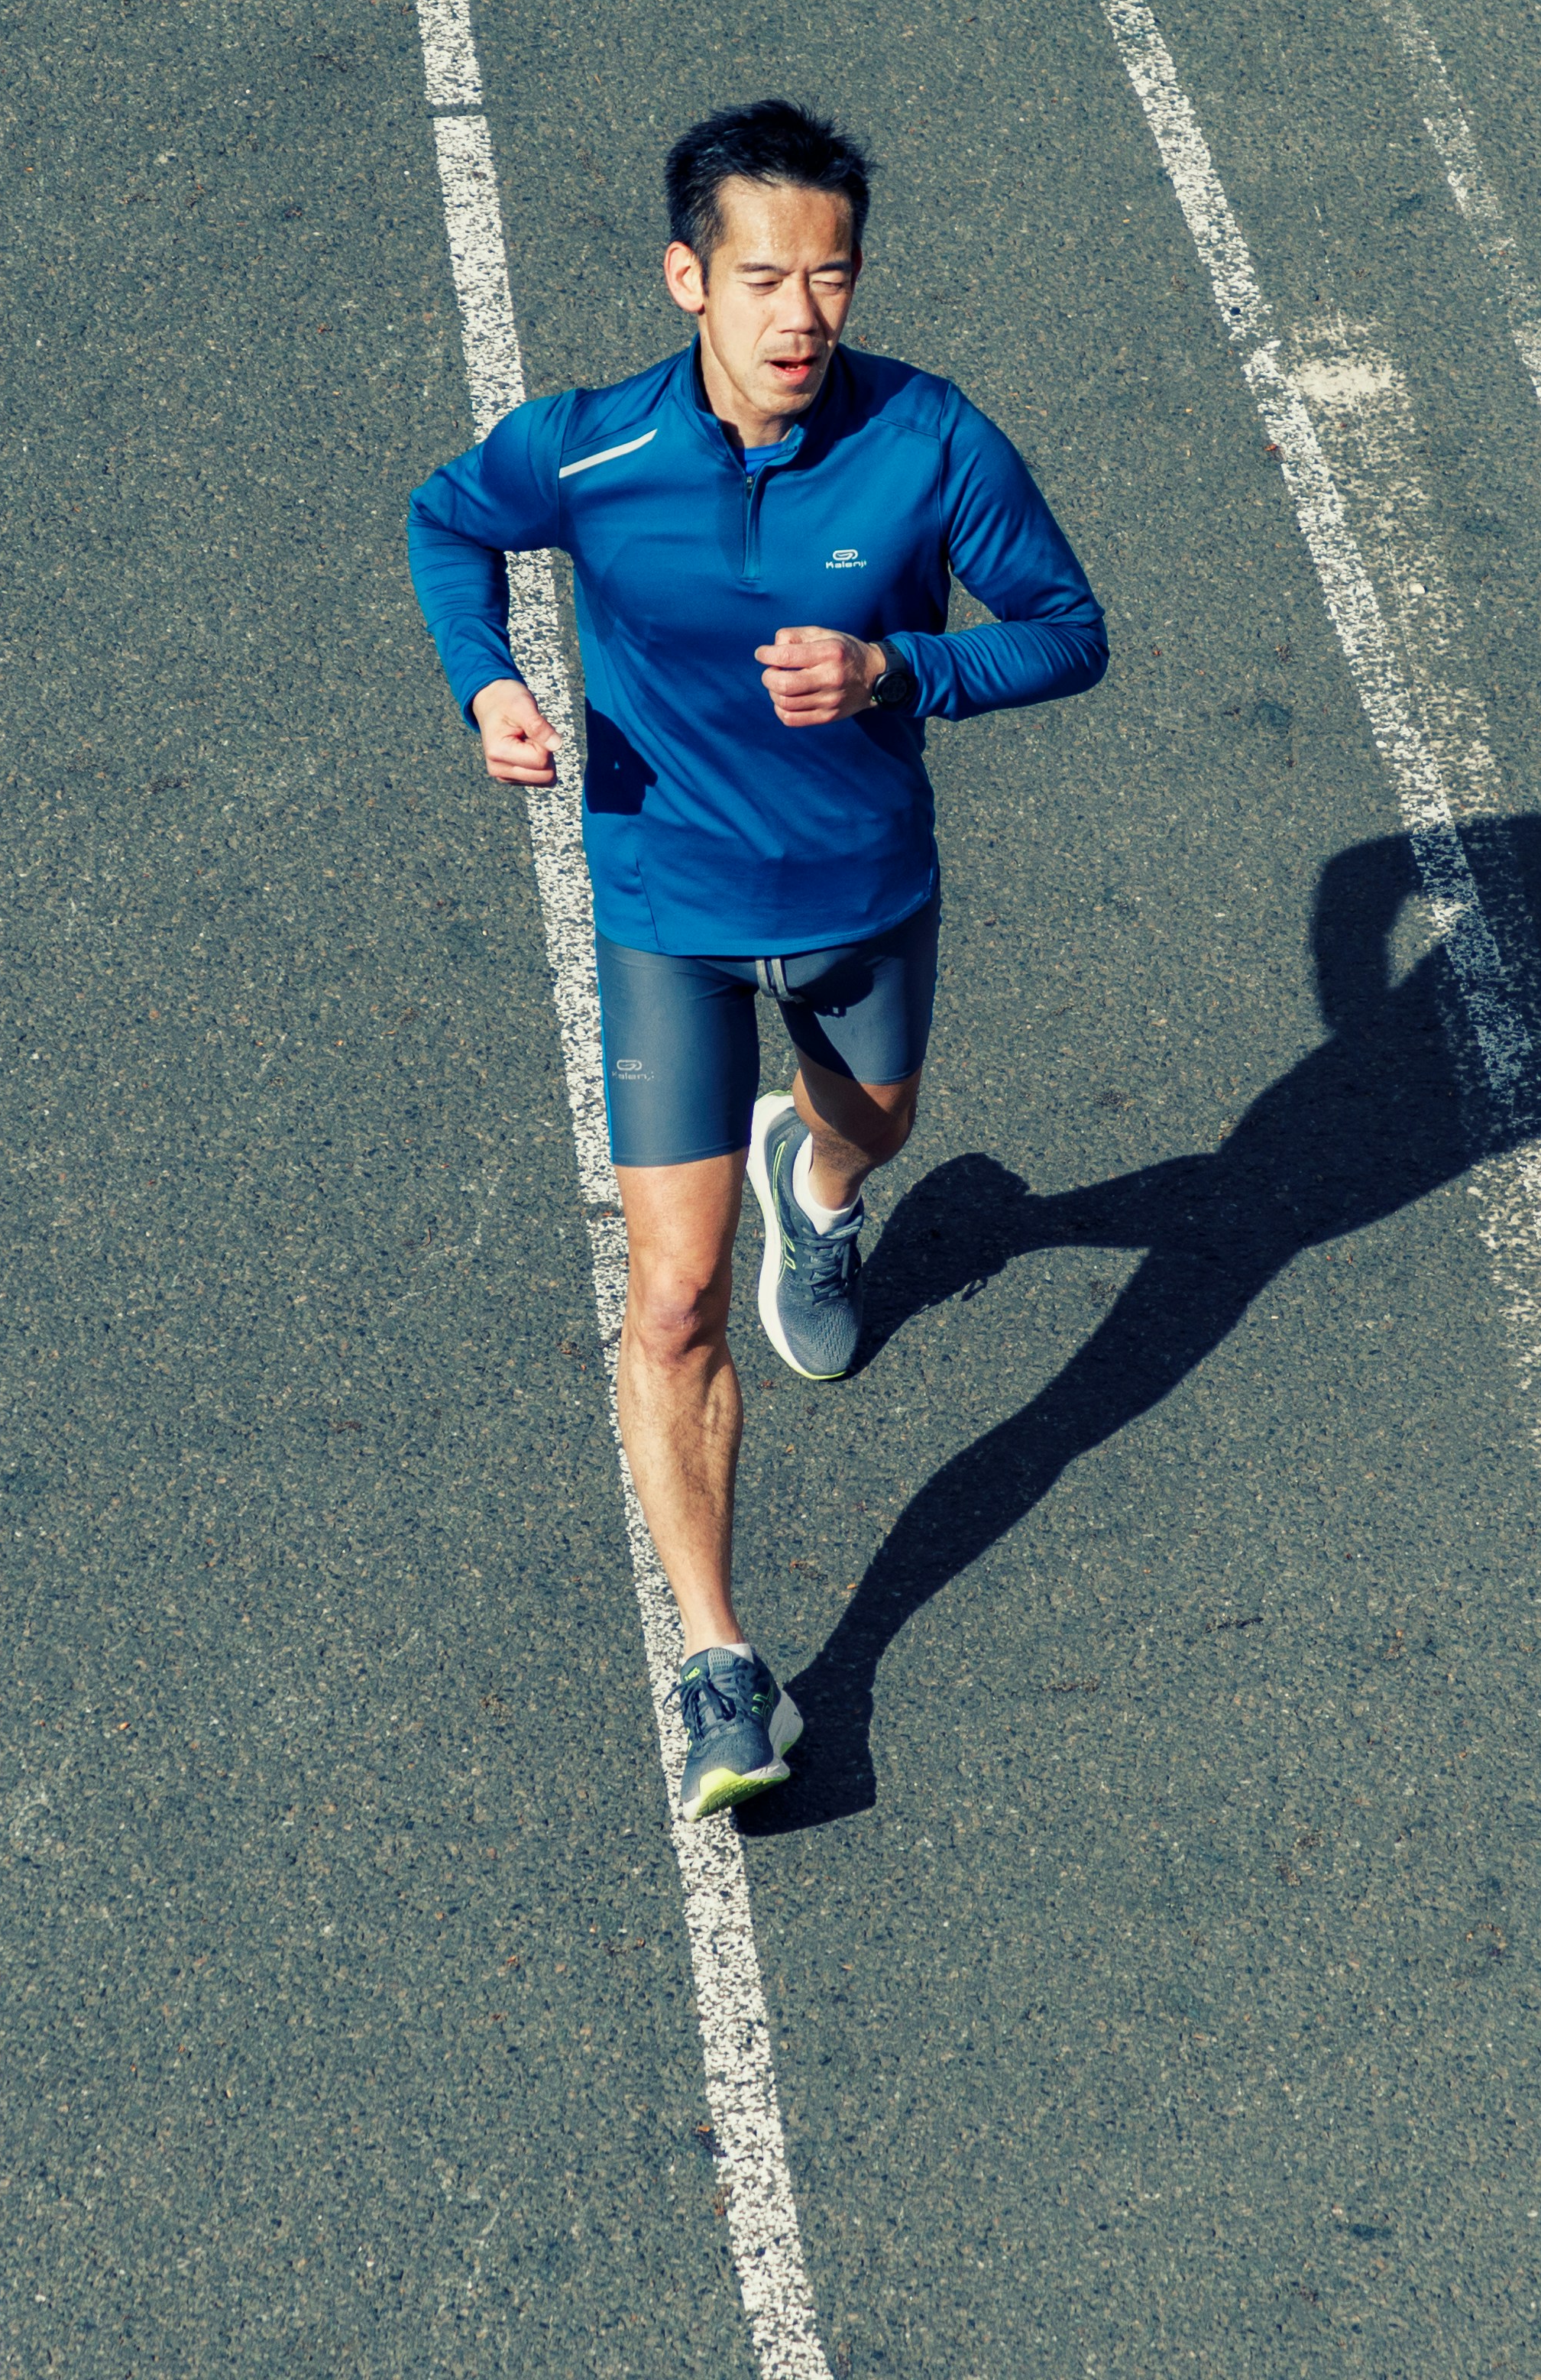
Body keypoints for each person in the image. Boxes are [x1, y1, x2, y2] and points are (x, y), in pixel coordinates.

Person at [408, 102, 1108, 1817]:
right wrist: (487, 682)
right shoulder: (586, 453)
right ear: (688, 278)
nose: (803, 316)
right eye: (765, 278)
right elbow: (446, 523)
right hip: (669, 913)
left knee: (874, 1122)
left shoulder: (931, 442)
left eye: (833, 277)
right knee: (672, 1301)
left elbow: (1069, 630)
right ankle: (725, 1665)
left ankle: (829, 1186)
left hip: (863, 898)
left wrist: (902, 673)